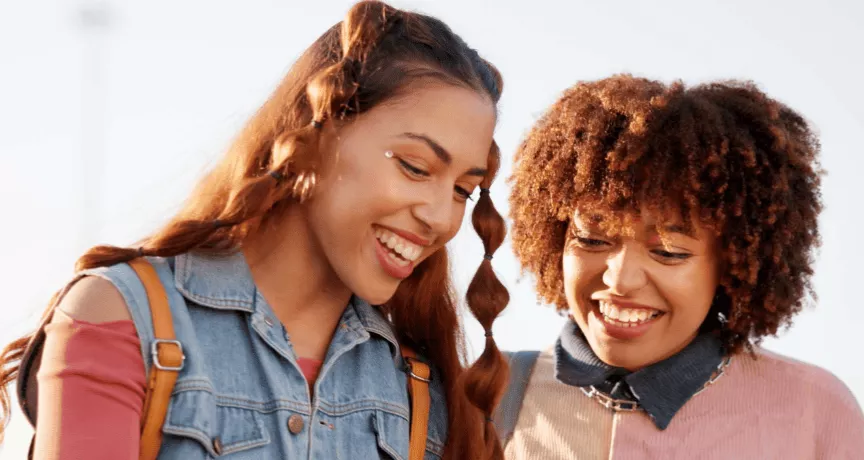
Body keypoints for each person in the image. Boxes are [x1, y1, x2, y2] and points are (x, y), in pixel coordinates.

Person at [0, 2, 511, 458]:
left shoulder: (420, 390)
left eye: (463, 190)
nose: (442, 218)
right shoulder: (127, 317)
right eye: (415, 167)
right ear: (320, 132)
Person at [496, 74, 864, 459]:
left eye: (669, 252)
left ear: (731, 264)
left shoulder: (814, 413)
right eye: (591, 240)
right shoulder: (486, 395)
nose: (620, 279)